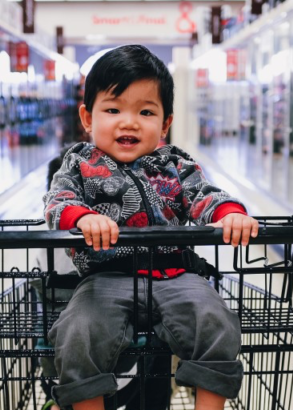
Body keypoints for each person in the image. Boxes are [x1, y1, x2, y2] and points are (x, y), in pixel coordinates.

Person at [43, 45, 259, 410]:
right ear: (87, 117)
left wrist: (230, 213)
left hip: (176, 274)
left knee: (215, 320)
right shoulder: (78, 163)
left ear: (165, 123)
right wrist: (82, 218)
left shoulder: (176, 164)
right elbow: (57, 203)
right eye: (112, 110)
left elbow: (203, 195)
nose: (129, 122)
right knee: (78, 332)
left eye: (145, 112)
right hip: (105, 275)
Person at [35, 146, 172, 410]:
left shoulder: (43, 239)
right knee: (159, 330)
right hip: (126, 376)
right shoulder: (124, 233)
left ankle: (58, 403)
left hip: (58, 376)